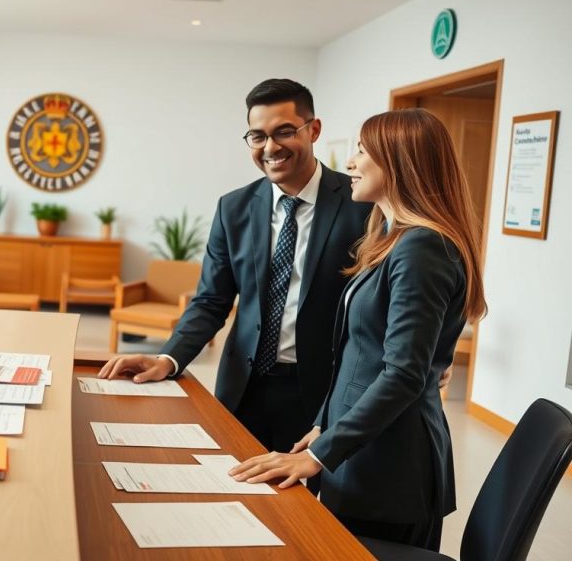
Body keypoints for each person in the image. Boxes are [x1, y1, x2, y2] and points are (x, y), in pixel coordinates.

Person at [230, 108, 486, 551]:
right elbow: (357, 353)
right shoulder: (395, 239)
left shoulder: (423, 248)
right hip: (362, 453)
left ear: (400, 162)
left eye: (363, 151)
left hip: (391, 470)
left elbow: (403, 374)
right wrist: (323, 426)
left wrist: (318, 455)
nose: (350, 162)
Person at [98, 78, 374, 454]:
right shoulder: (233, 208)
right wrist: (169, 356)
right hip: (244, 387)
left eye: (284, 132)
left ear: (314, 130)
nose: (271, 147)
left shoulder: (363, 207)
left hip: (325, 392)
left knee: (308, 509)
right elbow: (211, 300)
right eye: (257, 137)